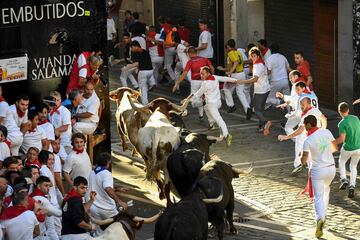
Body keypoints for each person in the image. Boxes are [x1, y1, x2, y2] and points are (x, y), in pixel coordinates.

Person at [300, 115, 337, 239]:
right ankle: (324, 216)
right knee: (326, 190)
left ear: (309, 125)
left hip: (318, 171)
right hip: (331, 168)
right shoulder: (326, 131)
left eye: (305, 125)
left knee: (318, 197)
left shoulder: (308, 140)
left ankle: (320, 219)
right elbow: (335, 148)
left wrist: (302, 159)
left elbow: (304, 159)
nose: (304, 128)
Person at [278, 97, 327, 174]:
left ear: (308, 104)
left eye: (303, 105)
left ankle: (299, 166)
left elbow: (300, 130)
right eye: (300, 104)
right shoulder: (315, 110)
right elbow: (324, 119)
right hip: (314, 137)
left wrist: (286, 137)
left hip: (304, 138)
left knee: (301, 151)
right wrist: (323, 130)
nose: (301, 106)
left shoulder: (306, 116)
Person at [189, 67, 232, 147]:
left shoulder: (206, 83)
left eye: (203, 74)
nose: (201, 75)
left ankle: (227, 135)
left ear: (208, 74)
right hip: (218, 103)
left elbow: (198, 94)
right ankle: (212, 123)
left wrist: (188, 100)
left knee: (219, 120)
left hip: (212, 105)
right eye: (201, 73)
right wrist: (236, 80)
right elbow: (225, 78)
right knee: (205, 107)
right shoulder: (215, 77)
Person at [89, 152, 128, 235]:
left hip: (94, 208)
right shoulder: (107, 174)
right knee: (118, 228)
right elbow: (107, 188)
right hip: (107, 209)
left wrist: (117, 189)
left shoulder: (92, 173)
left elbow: (101, 187)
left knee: (98, 232)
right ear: (108, 163)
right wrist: (119, 201)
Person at [235, 47, 272, 135]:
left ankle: (266, 122)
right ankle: (261, 127)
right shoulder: (262, 63)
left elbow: (255, 79)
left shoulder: (257, 65)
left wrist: (242, 81)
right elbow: (268, 72)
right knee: (260, 109)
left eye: (254, 56)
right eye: (251, 56)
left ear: (258, 56)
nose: (252, 58)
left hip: (261, 90)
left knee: (256, 110)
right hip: (266, 89)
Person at [173, 47, 214, 120]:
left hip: (195, 82)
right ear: (196, 52)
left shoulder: (190, 62)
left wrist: (177, 83)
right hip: (204, 81)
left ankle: (183, 107)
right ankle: (202, 115)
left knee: (193, 97)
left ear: (189, 54)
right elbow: (212, 68)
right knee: (204, 97)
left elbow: (184, 74)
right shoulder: (204, 59)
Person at [217, 39, 251, 117]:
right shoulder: (238, 52)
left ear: (228, 46)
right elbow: (237, 63)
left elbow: (235, 62)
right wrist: (223, 69)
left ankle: (231, 106)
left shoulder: (231, 53)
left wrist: (230, 72)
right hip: (241, 74)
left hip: (235, 75)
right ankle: (247, 108)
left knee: (226, 88)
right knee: (240, 92)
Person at [335, 102, 360, 198]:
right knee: (353, 166)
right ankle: (352, 186)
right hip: (358, 147)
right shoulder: (356, 118)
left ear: (339, 111)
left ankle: (344, 179)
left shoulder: (342, 123)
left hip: (348, 148)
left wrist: (331, 143)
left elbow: (342, 139)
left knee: (341, 162)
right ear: (348, 110)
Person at [265, 43, 291, 107]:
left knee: (267, 98)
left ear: (271, 50)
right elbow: (289, 70)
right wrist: (298, 73)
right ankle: (290, 113)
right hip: (285, 81)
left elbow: (268, 72)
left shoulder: (270, 59)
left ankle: (279, 102)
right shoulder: (283, 57)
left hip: (275, 82)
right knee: (288, 99)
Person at [0, 87, 24, 156]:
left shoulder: (3, 104)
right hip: (15, 137)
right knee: (13, 162)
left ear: (1, 91)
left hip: (12, 136)